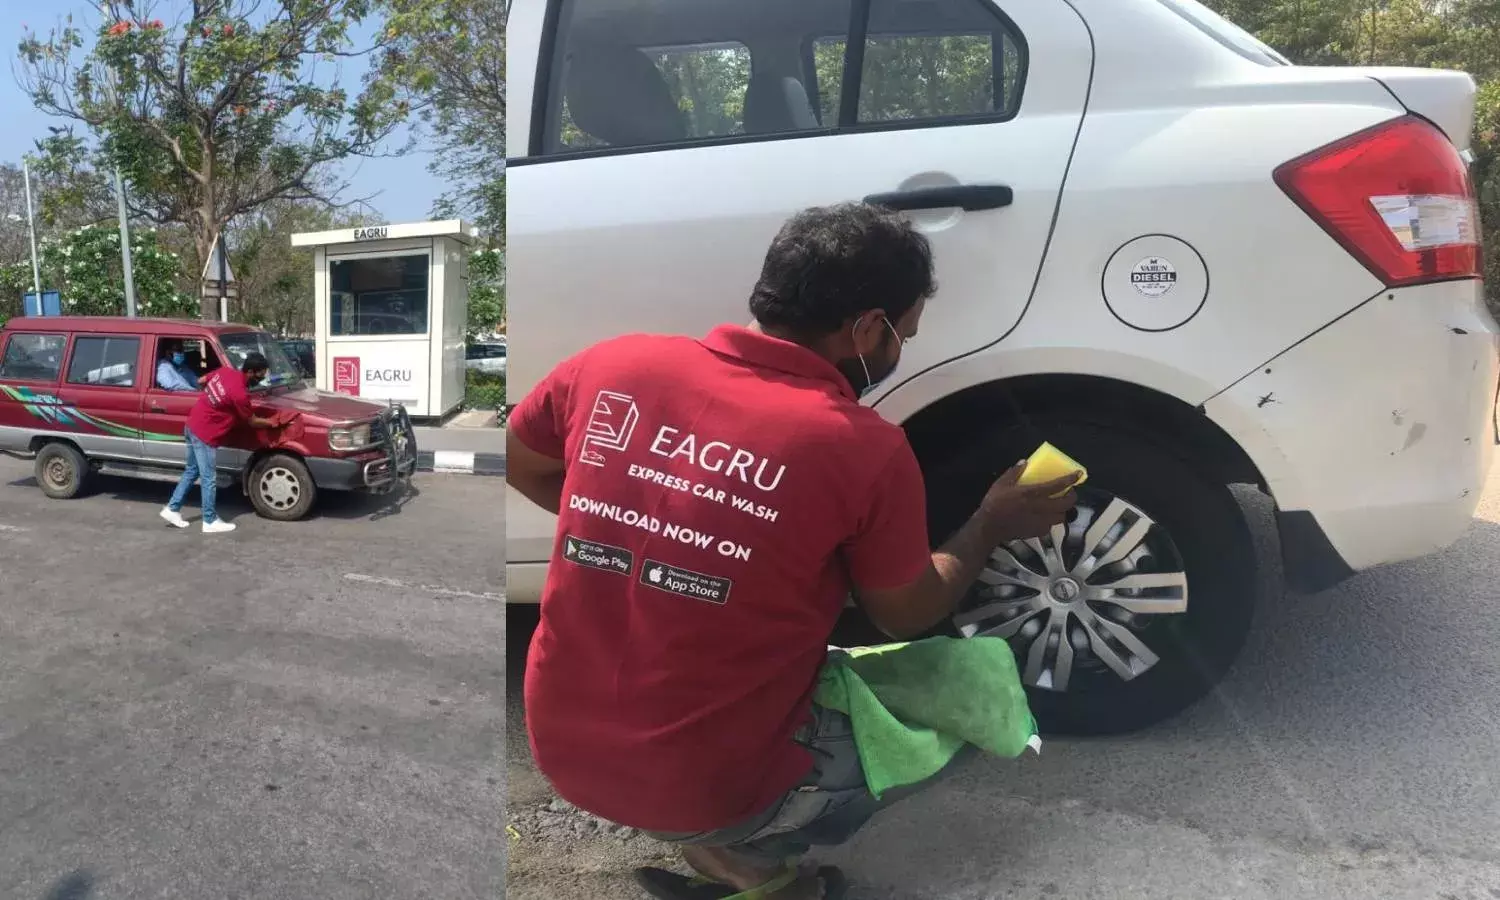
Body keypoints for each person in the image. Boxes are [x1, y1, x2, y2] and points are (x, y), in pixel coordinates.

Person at [506, 203, 1080, 899]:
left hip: (563, 753)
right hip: (703, 787)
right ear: (868, 328)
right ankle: (748, 845)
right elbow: (906, 613)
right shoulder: (858, 446)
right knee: (970, 698)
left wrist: (636, 521)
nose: (900, 351)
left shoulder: (611, 364)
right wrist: (990, 522)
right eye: (904, 334)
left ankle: (706, 840)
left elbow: (522, 462)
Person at [160, 352, 279, 534]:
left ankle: (172, 509)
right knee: (208, 478)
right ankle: (209, 520)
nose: (262, 378)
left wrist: (215, 400)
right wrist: (272, 422)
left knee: (192, 471)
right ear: (251, 372)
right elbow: (253, 421)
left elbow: (201, 381)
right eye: (261, 374)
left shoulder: (225, 371)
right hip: (204, 434)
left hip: (192, 424)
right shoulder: (240, 394)